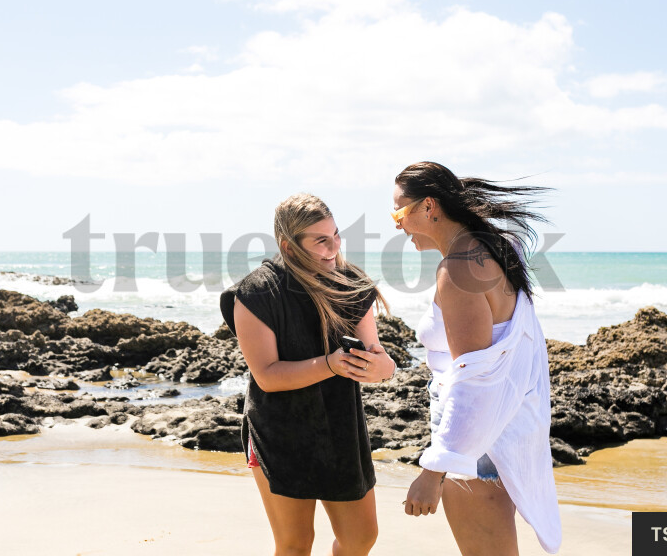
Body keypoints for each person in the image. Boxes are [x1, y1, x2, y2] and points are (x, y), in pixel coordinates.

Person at [393, 162, 562, 555]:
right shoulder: (494, 247)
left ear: (430, 207)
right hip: (503, 431)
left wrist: (434, 470)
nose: (397, 224)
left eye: (399, 213)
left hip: (476, 444)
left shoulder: (458, 270)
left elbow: (475, 381)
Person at [219, 193, 397, 556]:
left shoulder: (349, 283)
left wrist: (384, 368)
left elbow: (378, 358)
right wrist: (330, 365)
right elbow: (267, 375)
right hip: (277, 430)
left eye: (336, 235)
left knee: (361, 538)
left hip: (340, 426)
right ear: (288, 245)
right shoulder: (256, 292)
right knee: (295, 544)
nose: (333, 248)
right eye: (321, 240)